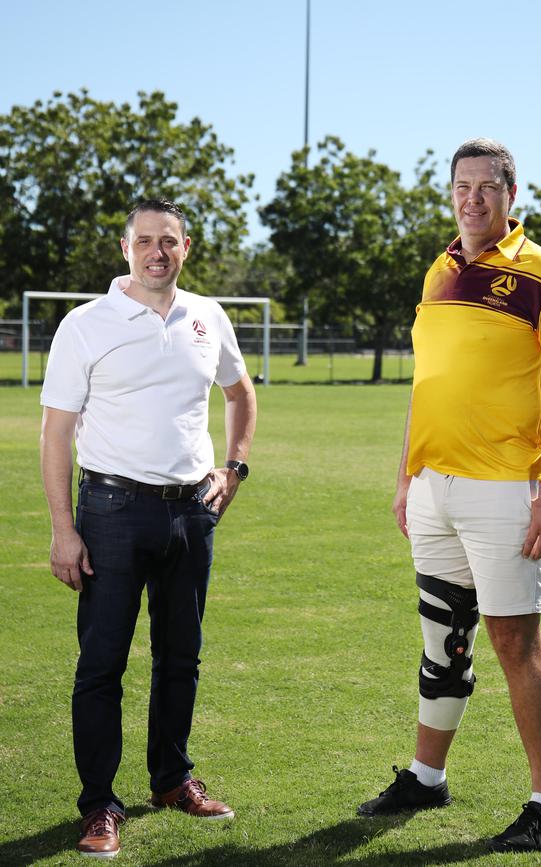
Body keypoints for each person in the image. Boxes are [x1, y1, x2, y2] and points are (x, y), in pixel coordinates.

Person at [357, 140, 541, 853]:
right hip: (433, 489)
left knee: (514, 641)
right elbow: (426, 385)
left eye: (485, 188)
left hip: (509, 491)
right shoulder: (438, 271)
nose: (471, 199)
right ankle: (426, 776)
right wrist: (407, 476)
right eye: (461, 187)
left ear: (510, 193)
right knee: (443, 637)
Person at [40, 199, 257, 859]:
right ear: (126, 247)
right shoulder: (85, 325)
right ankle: (100, 805)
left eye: (169, 241)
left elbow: (241, 394)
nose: (157, 251)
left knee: (181, 657)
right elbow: (56, 433)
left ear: (185, 247)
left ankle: (170, 779)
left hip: (193, 512)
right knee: (102, 664)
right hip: (109, 511)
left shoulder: (207, 316)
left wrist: (235, 468)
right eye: (145, 241)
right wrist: (62, 528)